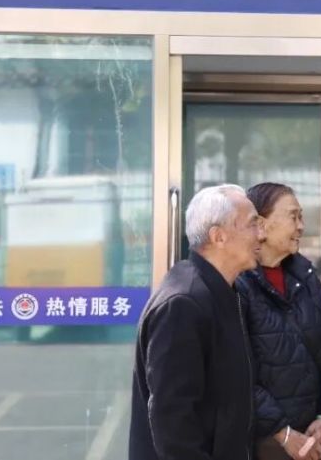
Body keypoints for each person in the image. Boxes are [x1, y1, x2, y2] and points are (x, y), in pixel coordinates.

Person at [129, 184, 263, 460]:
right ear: (218, 236)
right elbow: (173, 422)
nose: (261, 235)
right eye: (252, 224)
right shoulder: (183, 303)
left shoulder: (226, 293)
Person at [238, 183, 321, 460]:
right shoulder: (238, 283)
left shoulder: (305, 277)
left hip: (315, 439)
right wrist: (284, 433)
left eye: (301, 217)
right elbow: (238, 375)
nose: (301, 226)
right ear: (261, 225)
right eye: (294, 216)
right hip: (262, 443)